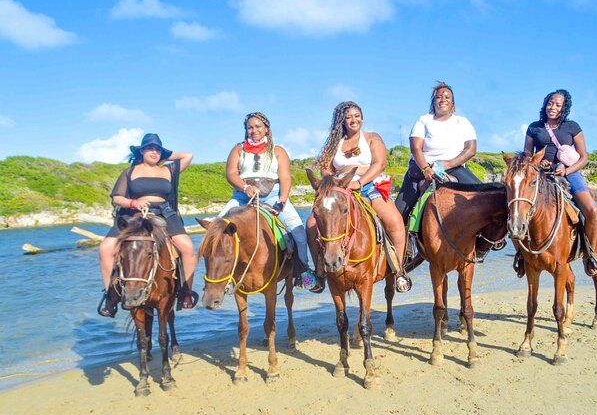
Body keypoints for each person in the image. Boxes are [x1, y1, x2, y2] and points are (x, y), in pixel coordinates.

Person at [307, 101, 412, 293]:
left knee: (395, 221)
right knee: (311, 225)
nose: (354, 120)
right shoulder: (334, 142)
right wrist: (335, 182)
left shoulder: (372, 138)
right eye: (349, 117)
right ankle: (319, 273)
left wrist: (360, 182)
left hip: (369, 185)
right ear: (342, 121)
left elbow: (379, 164)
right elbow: (325, 168)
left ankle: (398, 271)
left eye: (357, 116)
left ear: (362, 118)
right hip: (340, 188)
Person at [97, 133, 198, 317]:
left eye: (157, 149)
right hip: (133, 213)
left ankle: (185, 293)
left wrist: (163, 156)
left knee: (188, 248)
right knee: (105, 248)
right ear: (141, 150)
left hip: (164, 212)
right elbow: (117, 198)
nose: (154, 151)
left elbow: (188, 155)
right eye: (150, 148)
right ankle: (110, 295)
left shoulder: (169, 170)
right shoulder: (130, 171)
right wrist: (134, 203)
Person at [219, 111, 318, 290]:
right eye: (250, 127)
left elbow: (286, 177)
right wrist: (245, 187)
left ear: (266, 129)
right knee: (216, 228)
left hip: (273, 195)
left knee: (299, 234)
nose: (254, 130)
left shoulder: (278, 151)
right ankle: (221, 277)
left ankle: (303, 271)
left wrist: (283, 199)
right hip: (243, 196)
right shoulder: (238, 149)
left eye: (258, 126)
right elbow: (231, 174)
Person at [523, 89, 597, 277]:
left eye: (558, 104)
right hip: (540, 174)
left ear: (564, 108)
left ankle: (590, 255)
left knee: (591, 209)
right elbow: (526, 154)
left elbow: (584, 158)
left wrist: (566, 170)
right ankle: (521, 254)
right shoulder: (534, 127)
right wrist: (536, 161)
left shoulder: (572, 126)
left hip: (568, 173)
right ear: (545, 104)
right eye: (550, 103)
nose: (553, 107)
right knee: (516, 205)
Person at [395, 81, 481, 224]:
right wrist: (426, 168)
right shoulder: (423, 120)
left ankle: (489, 238)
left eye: (447, 97)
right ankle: (397, 241)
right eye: (439, 97)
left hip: (454, 167)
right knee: (398, 213)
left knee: (482, 194)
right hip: (423, 168)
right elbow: (416, 148)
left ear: (453, 103)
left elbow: (471, 149)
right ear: (433, 101)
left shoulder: (462, 121)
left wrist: (448, 164)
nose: (443, 100)